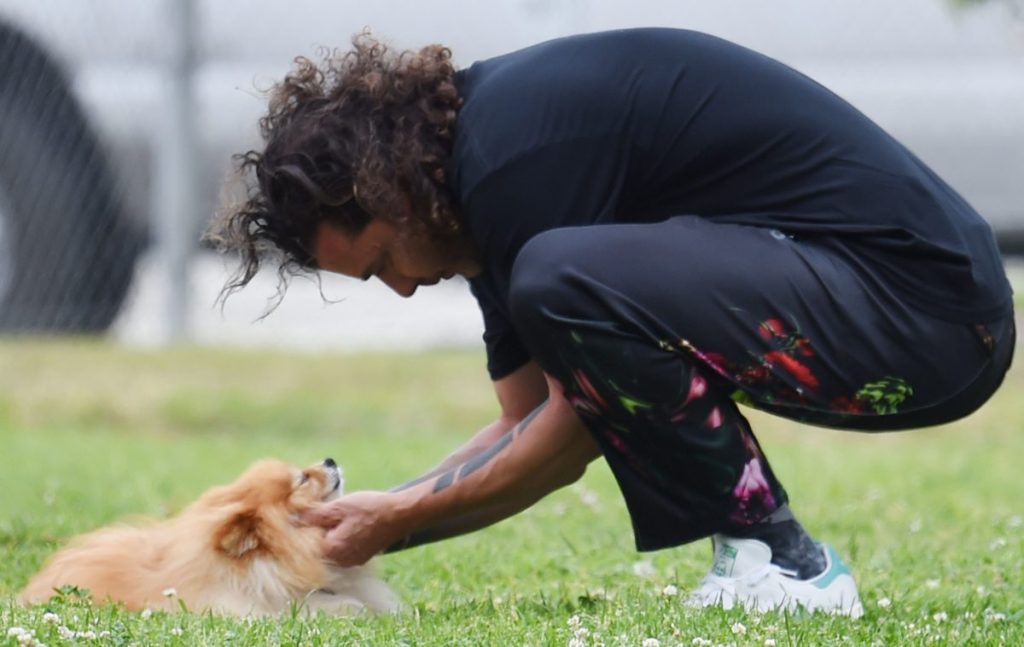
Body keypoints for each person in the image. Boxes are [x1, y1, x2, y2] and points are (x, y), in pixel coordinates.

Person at [206, 28, 1015, 616]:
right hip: (898, 321)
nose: (405, 292)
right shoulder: (467, 189)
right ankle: (765, 558)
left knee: (562, 276)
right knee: (557, 279)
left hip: (927, 316)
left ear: (388, 195)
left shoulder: (514, 167)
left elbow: (569, 436)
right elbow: (525, 423)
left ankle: (787, 565)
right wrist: (369, 523)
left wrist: (398, 516)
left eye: (382, 263)